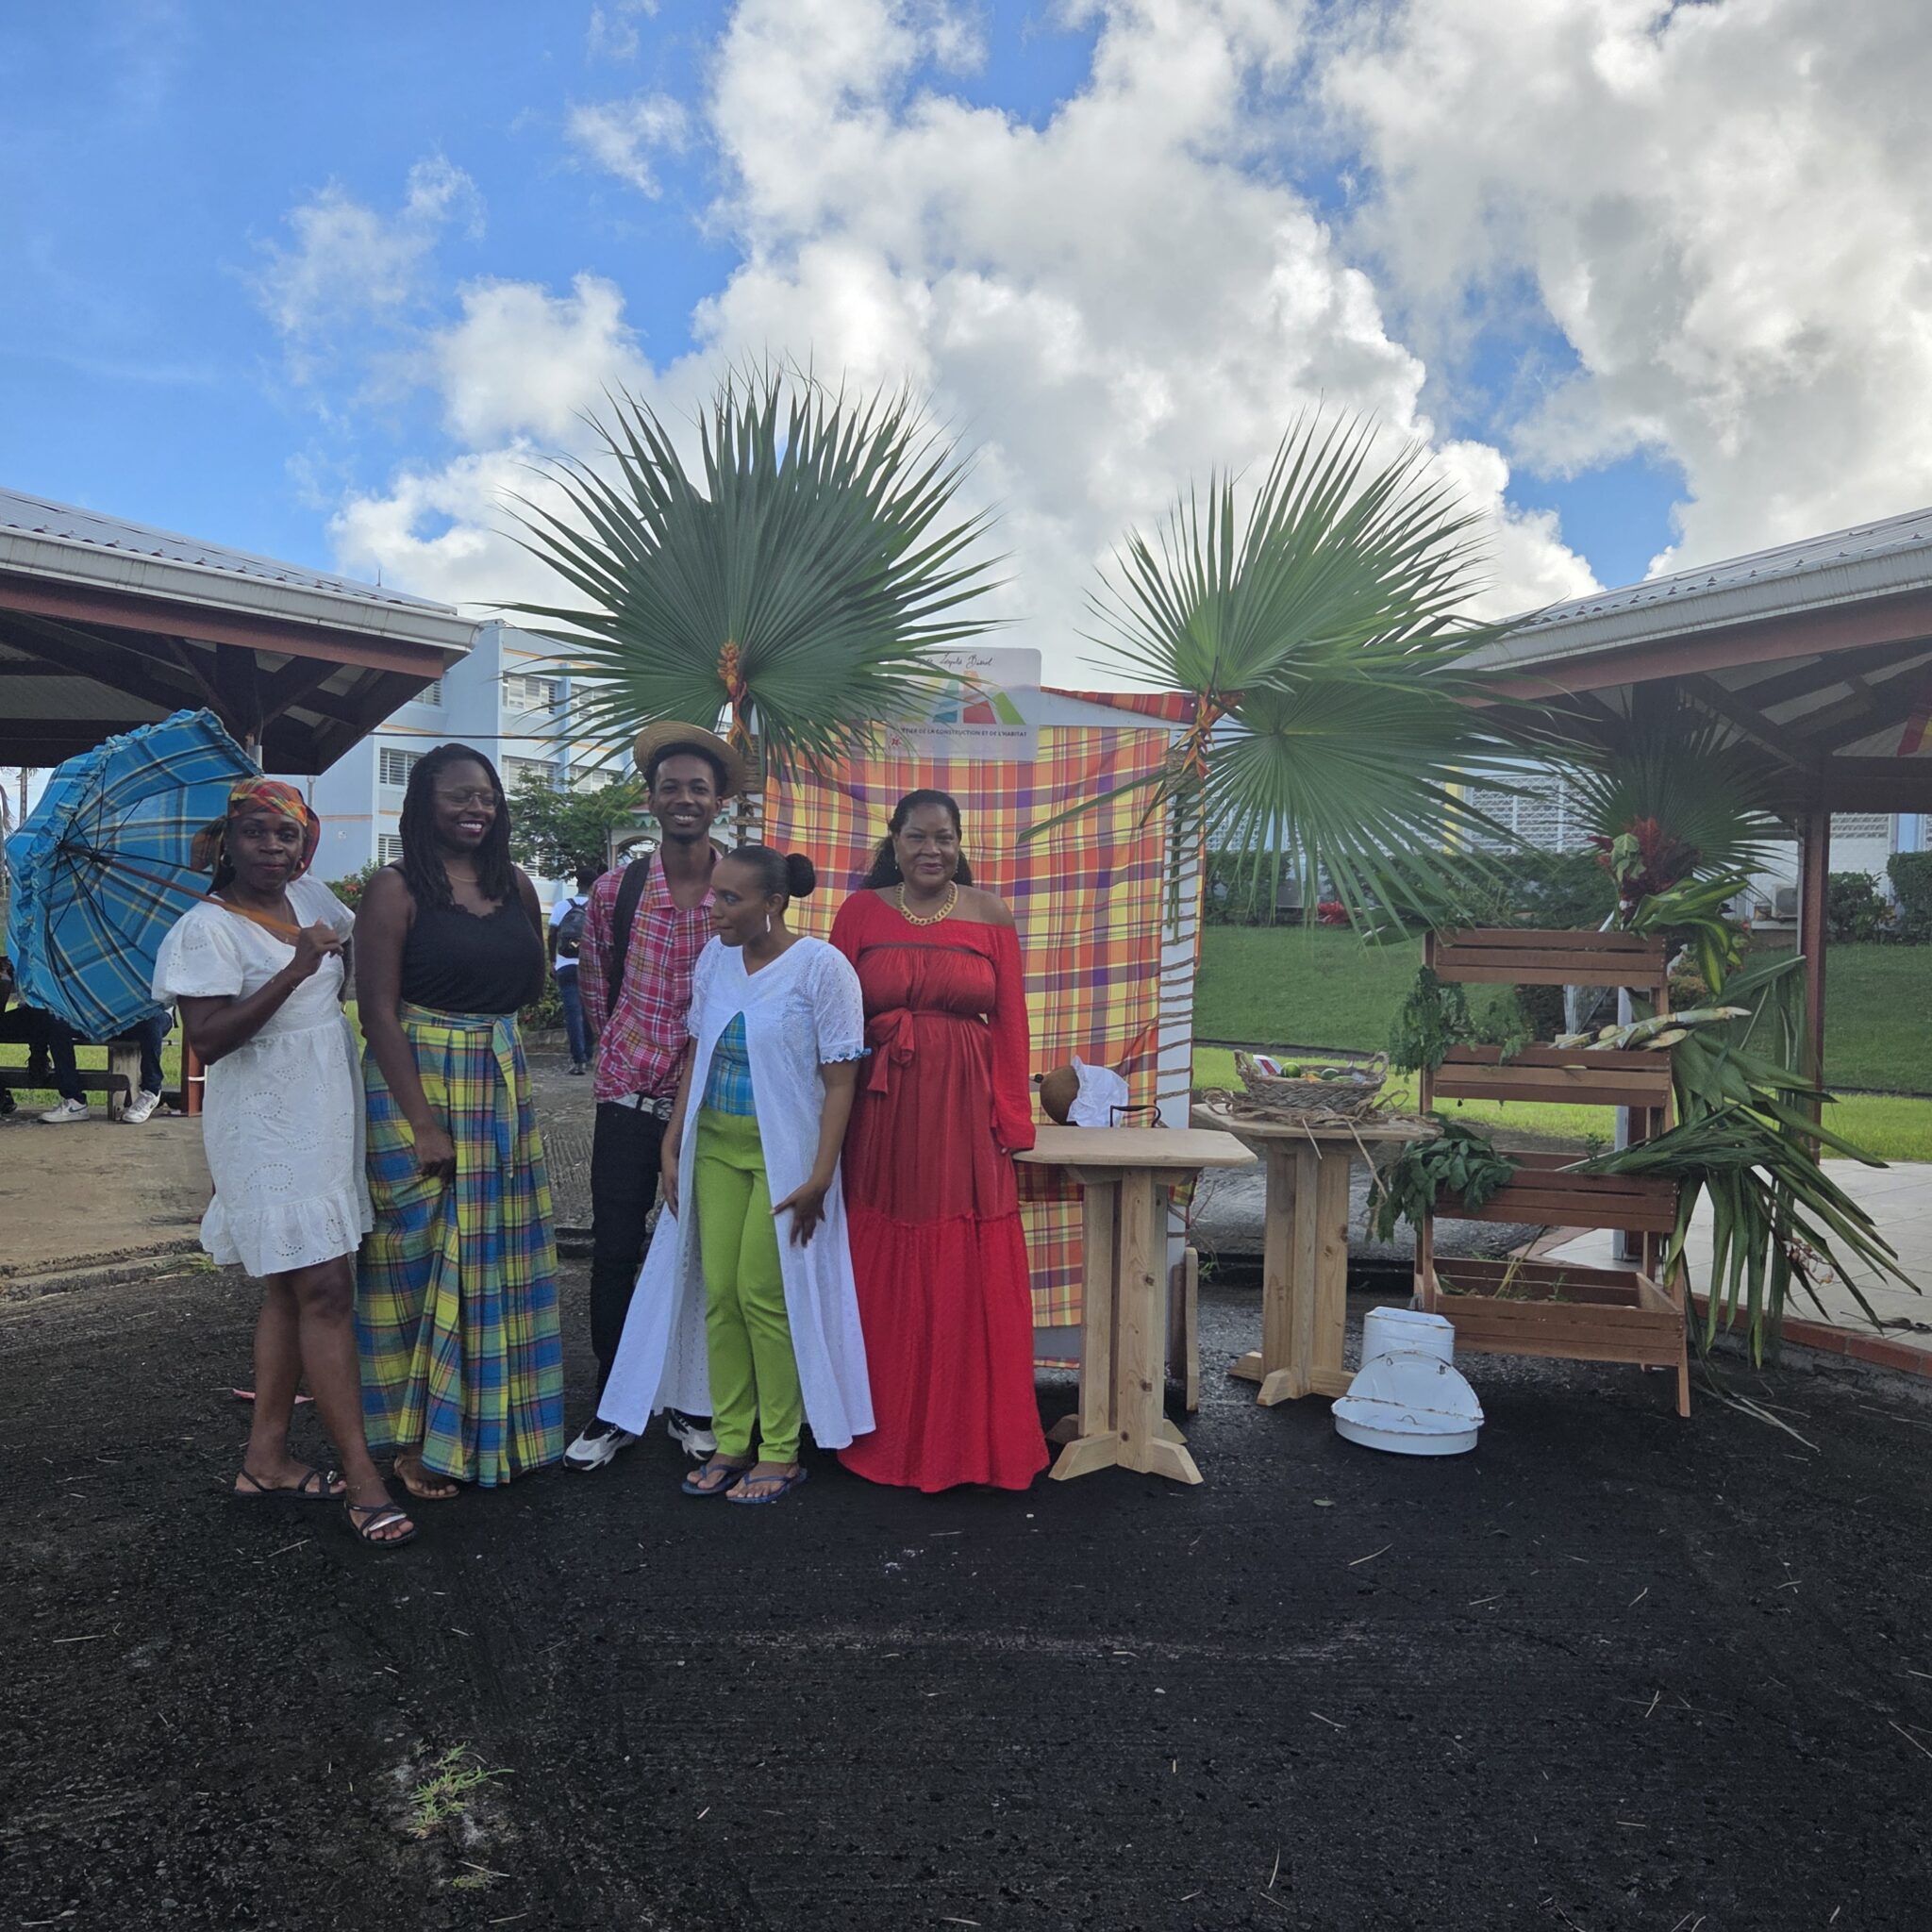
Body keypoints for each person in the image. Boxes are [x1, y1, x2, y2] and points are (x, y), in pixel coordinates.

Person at [152, 776, 413, 1547]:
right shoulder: (204, 929)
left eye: (287, 834)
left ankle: (265, 1458)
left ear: (306, 844)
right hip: (264, 1121)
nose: (272, 847)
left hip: (324, 1108)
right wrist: (295, 969)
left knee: (289, 1290)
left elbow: (353, 960)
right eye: (257, 833)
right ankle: (362, 1480)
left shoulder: (313, 900)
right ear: (228, 843)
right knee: (326, 1288)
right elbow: (207, 1042)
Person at [599, 846, 872, 1504]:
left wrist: (821, 1176)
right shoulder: (715, 958)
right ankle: (731, 1438)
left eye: (729, 898)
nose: (712, 909)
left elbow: (842, 1080)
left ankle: (779, 1451)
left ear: (773, 904)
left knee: (762, 1296)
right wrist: (673, 1141)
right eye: (713, 894)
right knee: (720, 1293)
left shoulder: (822, 967)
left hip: (785, 1159)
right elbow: (698, 1051)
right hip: (714, 1149)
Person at [354, 744, 563, 1497]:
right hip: (418, 1085)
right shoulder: (396, 888)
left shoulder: (516, 885)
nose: (477, 809)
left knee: (498, 1256)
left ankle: (493, 1427)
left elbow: (530, 982)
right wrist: (423, 1123)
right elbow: (377, 1011)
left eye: (487, 797)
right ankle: (416, 1439)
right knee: (418, 1259)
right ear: (424, 805)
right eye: (459, 797)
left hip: (499, 1079)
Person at [829, 790, 1048, 1491]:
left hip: (965, 1111)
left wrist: (1012, 1119)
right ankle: (880, 1427)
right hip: (879, 1110)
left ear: (960, 843)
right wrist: (822, 1118)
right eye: (918, 837)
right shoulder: (859, 913)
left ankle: (966, 1439)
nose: (932, 850)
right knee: (883, 1243)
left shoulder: (992, 914)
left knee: (962, 1251)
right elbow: (832, 1020)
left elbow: (1010, 1024)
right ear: (894, 841)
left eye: (945, 838)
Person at [561, 722, 747, 1474]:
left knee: (703, 1256)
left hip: (713, 1105)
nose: (684, 799)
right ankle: (613, 1404)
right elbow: (598, 991)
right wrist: (627, 1061)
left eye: (699, 788)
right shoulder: (619, 890)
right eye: (671, 787)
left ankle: (691, 1402)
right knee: (614, 1250)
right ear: (651, 798)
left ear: (719, 802)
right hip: (631, 1099)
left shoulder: (742, 889)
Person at [0, 954, 90, 1124]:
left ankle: (75, 1099)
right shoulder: (28, 949)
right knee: (41, 1016)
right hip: (37, 1014)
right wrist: (8, 968)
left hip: (73, 1014)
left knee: (54, 1023)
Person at [550, 866, 599, 1074]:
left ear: (577, 883)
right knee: (589, 1013)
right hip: (590, 967)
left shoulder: (562, 906)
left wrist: (552, 961)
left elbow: (552, 935)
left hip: (565, 965)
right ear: (594, 885)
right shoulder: (596, 908)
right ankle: (588, 1053)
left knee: (573, 1013)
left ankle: (578, 1061)